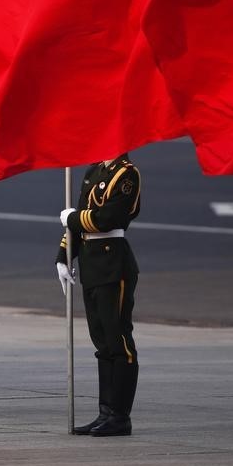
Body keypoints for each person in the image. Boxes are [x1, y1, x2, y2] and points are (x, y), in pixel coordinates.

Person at [56, 153, 141, 436]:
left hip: (113, 263)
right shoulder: (94, 171)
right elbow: (79, 219)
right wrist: (63, 255)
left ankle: (120, 416)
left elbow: (107, 218)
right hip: (92, 264)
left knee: (118, 341)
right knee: (102, 343)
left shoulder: (127, 174)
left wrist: (74, 218)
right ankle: (105, 412)